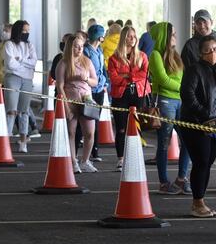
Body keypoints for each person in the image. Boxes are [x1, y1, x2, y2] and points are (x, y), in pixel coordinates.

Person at [180, 35, 216, 218]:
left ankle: (201, 200)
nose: (213, 53)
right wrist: (205, 115)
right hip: (196, 124)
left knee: (207, 163)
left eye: (215, 49)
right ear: (201, 53)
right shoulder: (194, 70)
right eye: (208, 50)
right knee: (201, 162)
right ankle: (197, 202)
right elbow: (187, 95)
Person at [148, 22, 191, 194]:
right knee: (164, 143)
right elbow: (163, 80)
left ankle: (181, 178)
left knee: (187, 140)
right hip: (165, 102)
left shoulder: (175, 55)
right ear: (163, 36)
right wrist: (184, 88)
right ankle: (164, 182)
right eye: (172, 33)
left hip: (180, 101)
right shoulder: (155, 55)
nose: (175, 36)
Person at [108, 26, 149, 171]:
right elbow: (113, 78)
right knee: (120, 128)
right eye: (129, 36)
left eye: (134, 36)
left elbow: (144, 74)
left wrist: (126, 76)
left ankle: (135, 156)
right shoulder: (114, 58)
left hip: (138, 94)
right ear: (123, 38)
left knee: (137, 128)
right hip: (120, 95)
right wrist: (131, 78)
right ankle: (121, 159)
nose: (132, 39)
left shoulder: (142, 56)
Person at [55, 34, 98, 173]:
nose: (79, 49)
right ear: (69, 47)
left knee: (90, 133)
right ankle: (73, 161)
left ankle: (85, 161)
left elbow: (95, 81)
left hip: (86, 100)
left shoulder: (87, 61)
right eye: (76, 46)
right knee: (71, 132)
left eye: (81, 46)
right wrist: (66, 106)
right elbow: (60, 86)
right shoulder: (63, 63)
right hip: (70, 100)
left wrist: (86, 79)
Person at [2, 20, 38, 153]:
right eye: (24, 31)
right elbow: (10, 64)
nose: (27, 33)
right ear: (18, 31)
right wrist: (25, 64)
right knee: (11, 110)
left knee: (24, 111)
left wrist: (20, 60)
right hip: (12, 78)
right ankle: (5, 141)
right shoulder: (9, 44)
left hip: (28, 79)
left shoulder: (30, 45)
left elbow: (34, 62)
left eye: (28, 31)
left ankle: (23, 141)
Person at [83, 24, 108, 162]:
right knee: (88, 120)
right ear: (100, 36)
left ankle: (95, 151)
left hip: (99, 89)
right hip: (89, 90)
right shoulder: (86, 51)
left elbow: (103, 68)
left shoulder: (99, 51)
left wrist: (105, 83)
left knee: (96, 120)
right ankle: (87, 152)